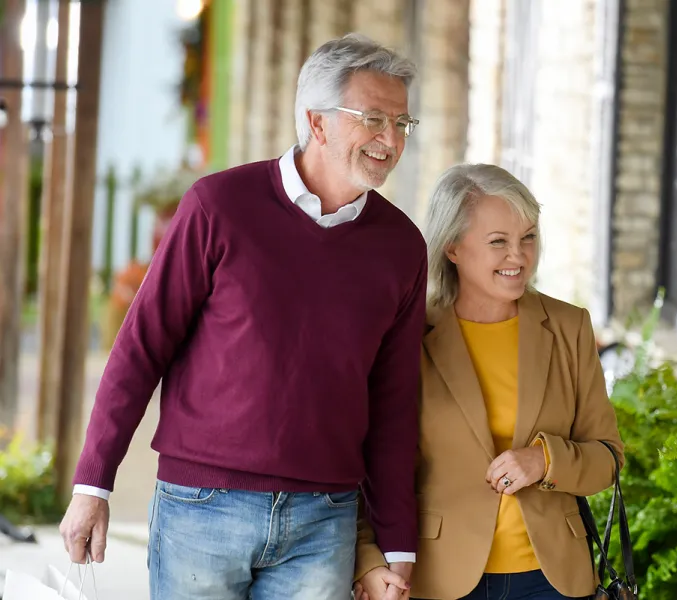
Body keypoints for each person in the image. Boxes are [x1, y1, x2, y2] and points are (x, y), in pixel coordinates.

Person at [59, 33, 426, 600]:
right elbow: (140, 348)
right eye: (373, 118)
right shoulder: (218, 207)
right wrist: (93, 484)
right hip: (201, 508)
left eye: (401, 124)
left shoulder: (402, 246)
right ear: (318, 122)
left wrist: (396, 546)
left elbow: (396, 402)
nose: (390, 139)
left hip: (324, 520)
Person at [353, 163, 624, 600]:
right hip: (438, 579)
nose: (518, 257)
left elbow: (608, 457)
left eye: (528, 238)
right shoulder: (407, 334)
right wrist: (368, 560)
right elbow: (369, 466)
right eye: (498, 241)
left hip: (552, 579)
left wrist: (544, 462)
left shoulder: (570, 327)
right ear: (453, 247)